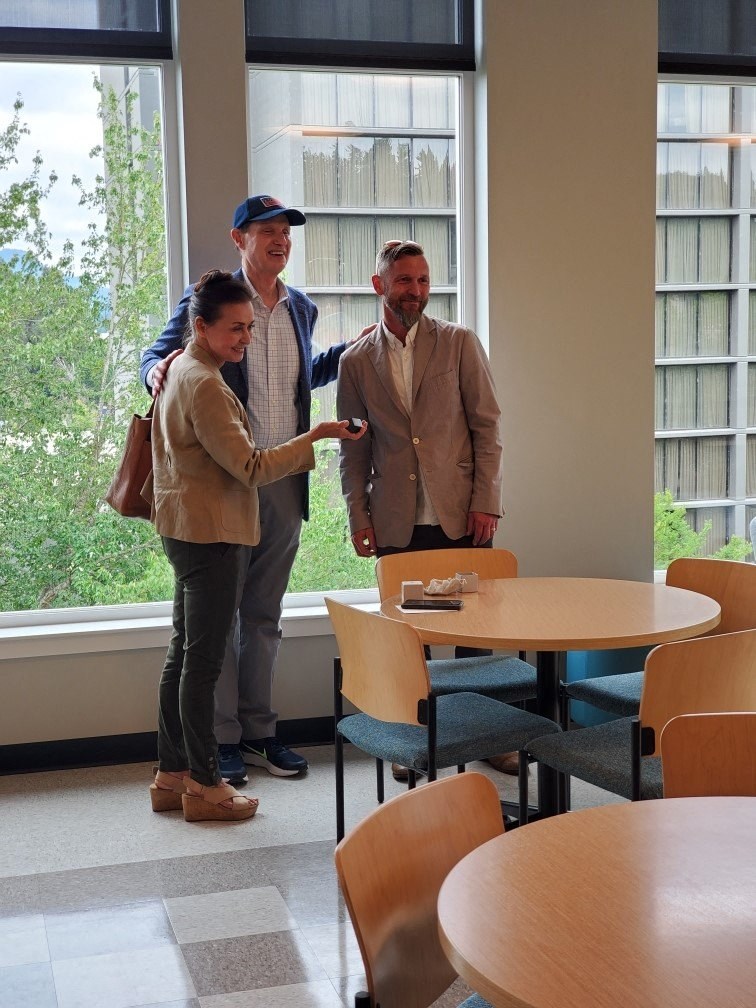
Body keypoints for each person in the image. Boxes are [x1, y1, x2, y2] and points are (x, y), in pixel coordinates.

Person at [141, 195, 353, 786]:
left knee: (263, 614)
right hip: (224, 483)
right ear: (240, 239)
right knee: (218, 618)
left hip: (281, 478)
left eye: (286, 231)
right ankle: (222, 739)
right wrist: (153, 370)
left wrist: (349, 351)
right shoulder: (213, 303)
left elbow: (303, 377)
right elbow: (160, 356)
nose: (280, 240)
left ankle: (260, 732)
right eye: (267, 231)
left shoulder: (301, 307)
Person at [336, 239, 514, 777]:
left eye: (422, 280)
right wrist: (358, 516)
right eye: (404, 281)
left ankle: (485, 735)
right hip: (395, 517)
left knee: (477, 632)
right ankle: (413, 739)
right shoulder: (355, 361)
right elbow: (353, 449)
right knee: (406, 634)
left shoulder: (459, 343)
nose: (415, 291)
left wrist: (487, 501)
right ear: (379, 285)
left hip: (461, 512)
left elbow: (487, 428)